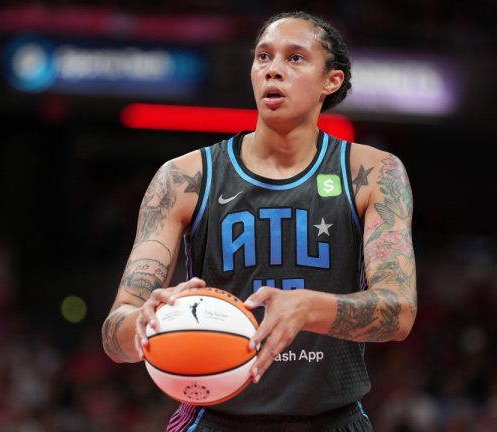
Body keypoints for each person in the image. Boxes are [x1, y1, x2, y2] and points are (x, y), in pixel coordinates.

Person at [102, 11, 417, 432]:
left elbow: (399, 313)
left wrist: (307, 307)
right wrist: (139, 325)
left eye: (295, 58)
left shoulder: (372, 172)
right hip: (216, 418)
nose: (274, 69)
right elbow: (114, 334)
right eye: (263, 56)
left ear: (332, 81)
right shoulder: (183, 178)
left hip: (332, 419)